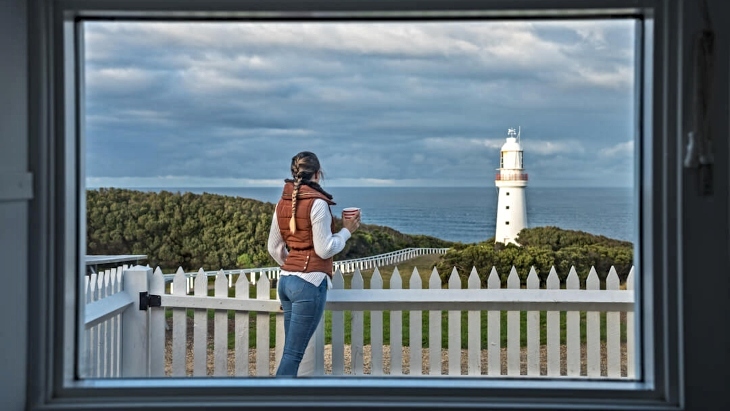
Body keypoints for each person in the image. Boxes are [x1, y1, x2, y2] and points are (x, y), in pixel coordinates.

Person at [267, 151, 360, 376]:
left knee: (290, 352)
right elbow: (325, 248)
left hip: (286, 282)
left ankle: (284, 399)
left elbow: (274, 248)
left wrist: (293, 264)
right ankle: (274, 401)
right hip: (308, 283)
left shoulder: (282, 203)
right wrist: (347, 231)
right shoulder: (318, 204)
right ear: (318, 174)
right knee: (293, 355)